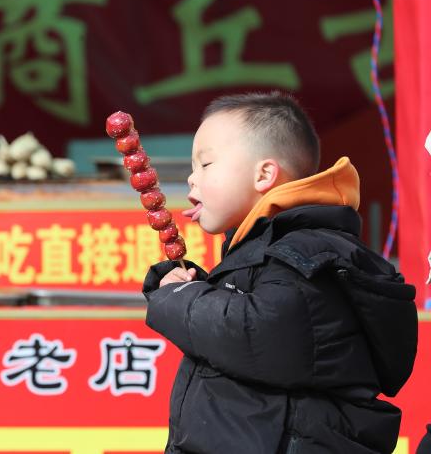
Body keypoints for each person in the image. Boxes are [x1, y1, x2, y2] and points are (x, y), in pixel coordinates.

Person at [143, 92, 418, 453]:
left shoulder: (309, 250)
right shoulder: (263, 253)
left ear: (265, 174)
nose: (192, 179)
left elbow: (258, 333)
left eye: (206, 165)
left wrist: (180, 298)